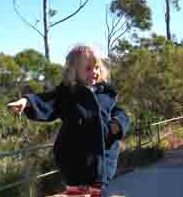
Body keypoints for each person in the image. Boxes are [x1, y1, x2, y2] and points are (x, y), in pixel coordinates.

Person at [8, 45, 129, 196]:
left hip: (102, 158)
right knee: (76, 193)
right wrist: (27, 102)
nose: (95, 72)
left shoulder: (106, 93)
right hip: (73, 161)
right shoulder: (67, 94)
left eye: (97, 67)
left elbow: (119, 112)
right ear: (74, 71)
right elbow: (47, 100)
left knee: (97, 192)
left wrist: (117, 124)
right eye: (88, 68)